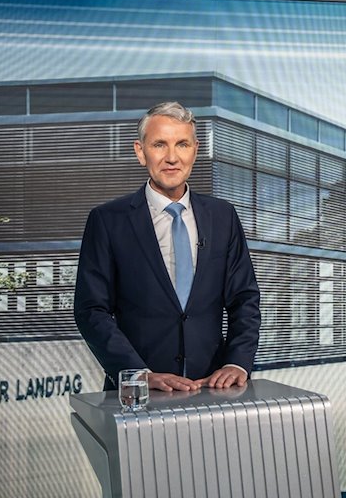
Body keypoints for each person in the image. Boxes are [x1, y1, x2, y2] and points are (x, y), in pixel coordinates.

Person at [75, 101, 260, 392]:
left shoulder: (223, 216)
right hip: (138, 393)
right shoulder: (108, 220)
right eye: (160, 145)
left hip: (214, 389)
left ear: (195, 151)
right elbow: (91, 310)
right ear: (140, 151)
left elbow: (244, 299)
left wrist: (237, 363)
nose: (172, 157)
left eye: (182, 144)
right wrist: (137, 374)